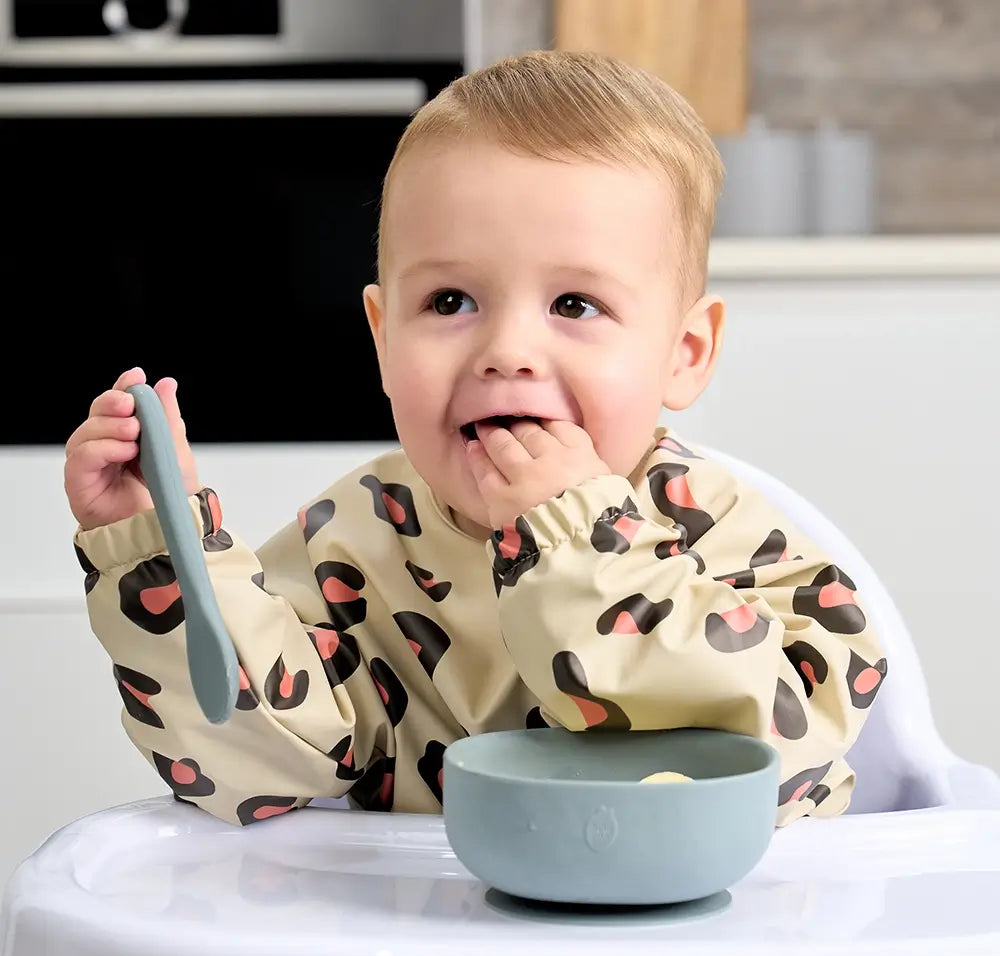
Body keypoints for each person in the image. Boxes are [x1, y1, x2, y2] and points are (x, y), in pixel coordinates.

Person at [63, 49, 886, 828]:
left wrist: (579, 544)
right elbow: (257, 766)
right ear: (384, 340)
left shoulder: (728, 534)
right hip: (431, 947)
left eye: (574, 306)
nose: (507, 353)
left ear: (683, 354)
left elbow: (775, 753)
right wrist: (155, 554)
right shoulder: (355, 546)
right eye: (451, 302)